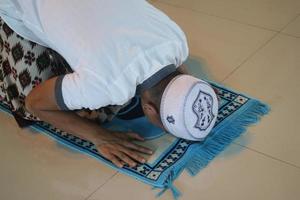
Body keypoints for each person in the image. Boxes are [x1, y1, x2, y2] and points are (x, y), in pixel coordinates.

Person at [0, 0, 218, 168]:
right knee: (34, 105)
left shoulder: (177, 41)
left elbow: (180, 70)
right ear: (149, 110)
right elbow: (35, 103)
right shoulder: (107, 87)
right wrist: (99, 137)